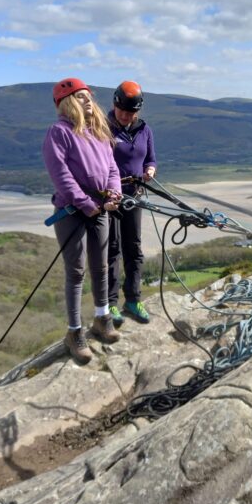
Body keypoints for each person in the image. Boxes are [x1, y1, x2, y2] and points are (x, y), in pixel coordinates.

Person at [42, 78, 122, 364]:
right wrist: (85, 203)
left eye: (89, 96)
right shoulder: (59, 132)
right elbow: (61, 175)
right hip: (73, 212)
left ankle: (102, 318)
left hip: (100, 208)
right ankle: (74, 332)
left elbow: (112, 168)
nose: (88, 101)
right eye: (80, 97)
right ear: (67, 103)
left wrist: (114, 193)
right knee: (76, 272)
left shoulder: (99, 132)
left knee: (101, 266)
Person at [107, 80, 157, 326]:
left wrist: (150, 169)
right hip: (110, 200)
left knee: (134, 249)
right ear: (115, 105)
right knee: (112, 250)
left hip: (134, 197)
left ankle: (133, 299)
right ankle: (110, 304)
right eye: (122, 111)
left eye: (131, 112)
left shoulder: (144, 129)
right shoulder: (102, 128)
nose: (126, 116)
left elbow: (151, 158)